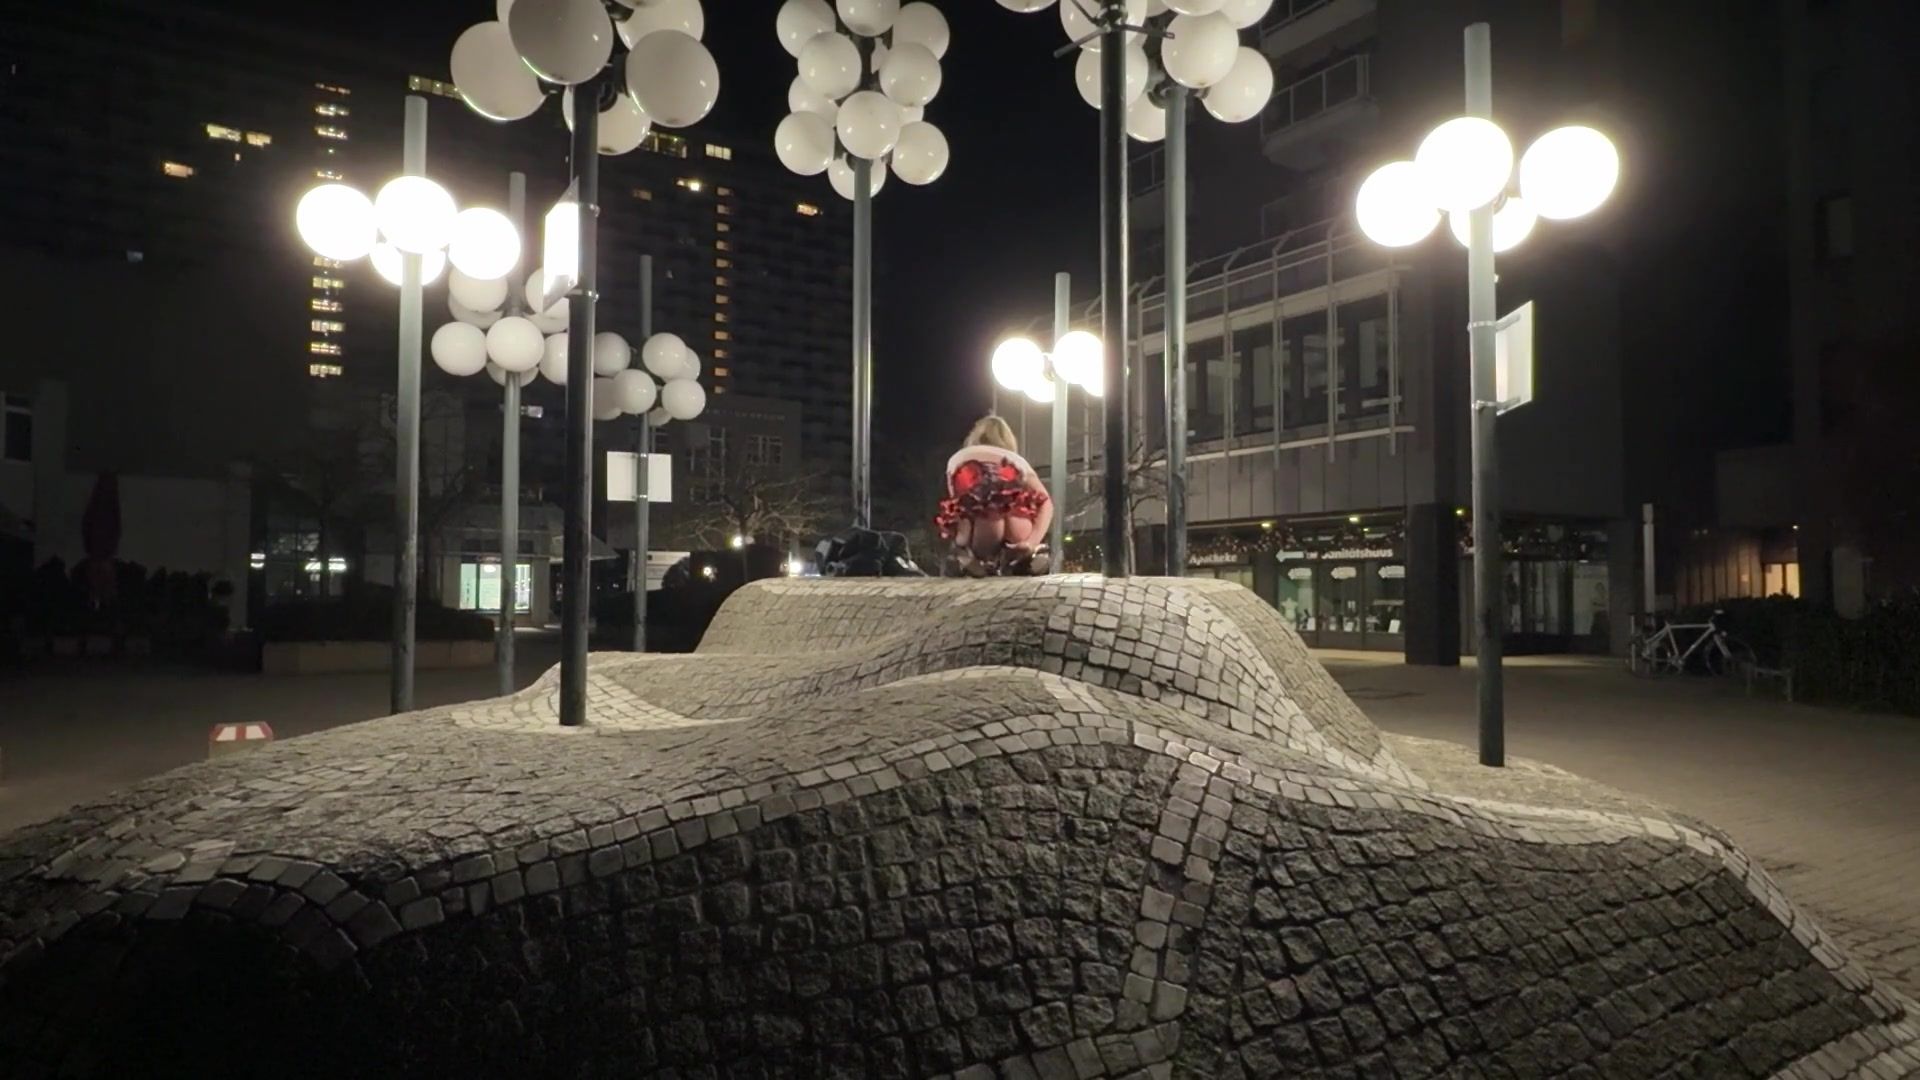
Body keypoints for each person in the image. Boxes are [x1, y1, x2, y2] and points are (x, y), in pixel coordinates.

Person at [934, 415, 1053, 576]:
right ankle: (1027, 557)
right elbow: (1045, 502)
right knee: (1022, 522)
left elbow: (957, 506)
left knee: (963, 513)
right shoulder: (1017, 460)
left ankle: (966, 556)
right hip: (1017, 525)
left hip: (984, 526)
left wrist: (960, 539)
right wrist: (1032, 541)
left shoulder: (958, 458)